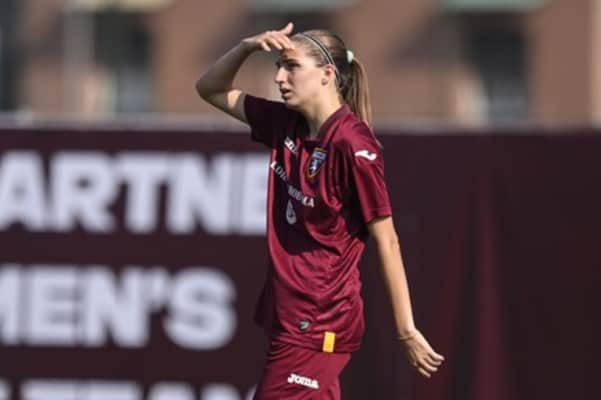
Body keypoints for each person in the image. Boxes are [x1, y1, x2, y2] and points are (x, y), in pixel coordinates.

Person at [195, 22, 444, 399]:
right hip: (288, 314)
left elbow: (387, 240)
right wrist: (246, 47)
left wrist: (406, 330)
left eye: (292, 66)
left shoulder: (353, 144)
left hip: (319, 322)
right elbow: (210, 89)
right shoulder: (284, 123)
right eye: (279, 66)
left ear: (327, 74)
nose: (279, 77)